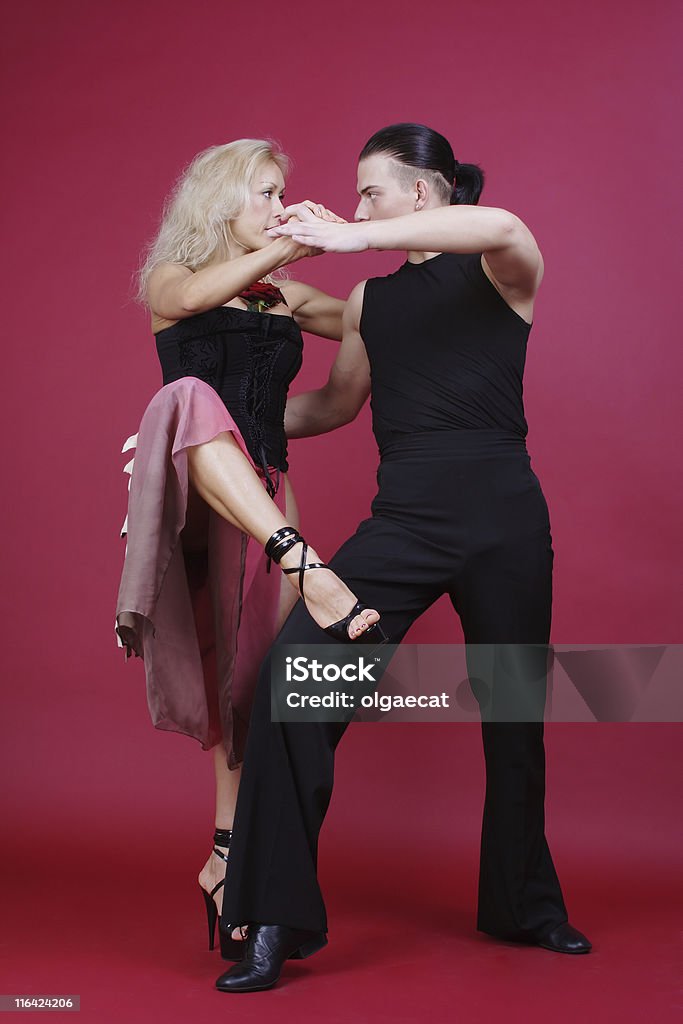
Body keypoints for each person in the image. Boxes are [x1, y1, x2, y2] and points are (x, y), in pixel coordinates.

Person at [215, 123, 592, 993]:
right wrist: (202, 427)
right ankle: (271, 917)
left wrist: (348, 238)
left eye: (369, 192)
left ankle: (523, 904)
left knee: (513, 717)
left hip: (503, 515)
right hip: (407, 520)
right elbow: (335, 406)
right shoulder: (369, 304)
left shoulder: (500, 264)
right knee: (299, 681)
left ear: (421, 193)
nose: (354, 209)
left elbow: (496, 225)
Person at [114, 139, 384, 960]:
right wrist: (288, 247)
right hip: (203, 502)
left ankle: (229, 861)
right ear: (220, 202)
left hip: (268, 491)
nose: (279, 205)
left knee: (258, 687)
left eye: (282, 194)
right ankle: (306, 561)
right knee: (188, 396)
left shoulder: (284, 296)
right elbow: (197, 294)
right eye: (264, 193)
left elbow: (379, 321)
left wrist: (366, 245)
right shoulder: (171, 279)